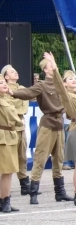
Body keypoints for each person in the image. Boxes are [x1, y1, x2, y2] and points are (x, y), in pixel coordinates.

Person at [8, 58, 73, 205]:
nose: (55, 67)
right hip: (48, 124)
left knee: (59, 159)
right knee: (40, 159)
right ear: (45, 70)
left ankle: (60, 192)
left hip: (59, 124)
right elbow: (28, 93)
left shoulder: (60, 85)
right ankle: (33, 192)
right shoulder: (41, 85)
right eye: (51, 65)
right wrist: (13, 93)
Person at [43, 52, 76, 206]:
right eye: (70, 79)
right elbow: (57, 82)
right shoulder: (66, 94)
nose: (74, 81)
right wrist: (54, 65)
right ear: (64, 83)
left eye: (75, 78)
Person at [1, 65, 29, 196]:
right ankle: (5, 193)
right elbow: (12, 107)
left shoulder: (22, 88)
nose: (15, 72)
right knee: (8, 160)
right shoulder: (5, 92)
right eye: (12, 71)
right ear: (6, 77)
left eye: (15, 70)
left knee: (22, 156)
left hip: (21, 124)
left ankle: (25, 185)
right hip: (10, 125)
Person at [0, 73, 22, 212]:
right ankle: (5, 201)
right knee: (6, 171)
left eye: (3, 82)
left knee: (9, 171)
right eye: (0, 82)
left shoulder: (7, 98)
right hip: (3, 136)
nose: (3, 84)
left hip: (10, 135)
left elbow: (21, 104)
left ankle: (4, 200)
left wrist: (10, 92)